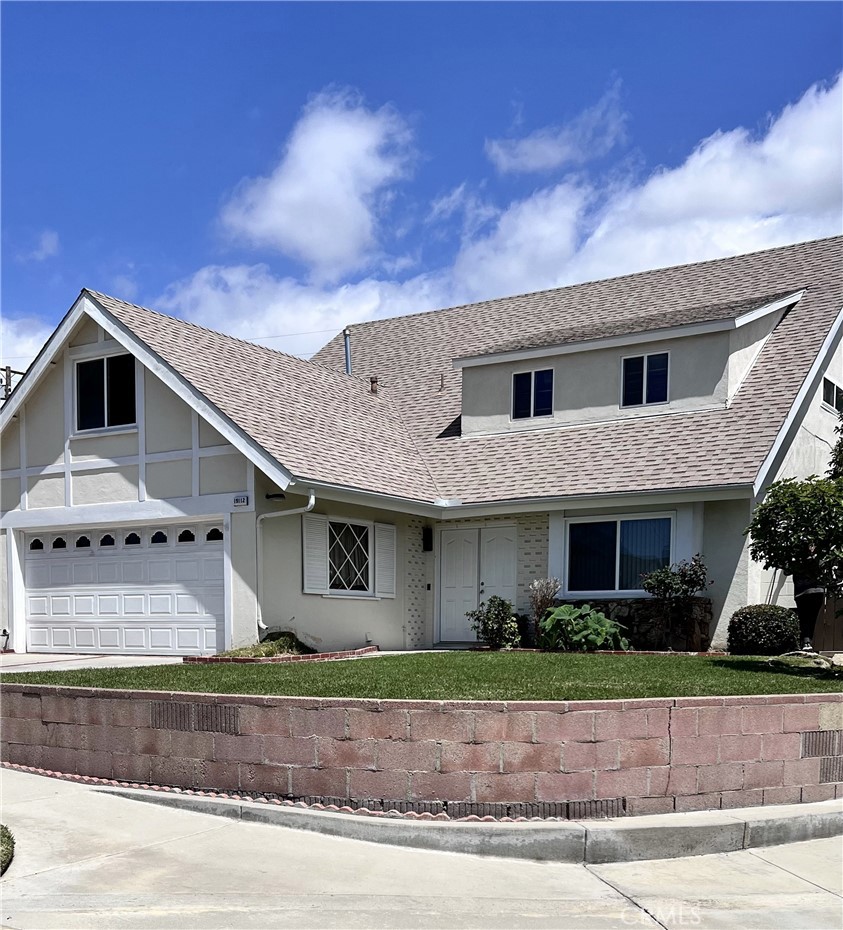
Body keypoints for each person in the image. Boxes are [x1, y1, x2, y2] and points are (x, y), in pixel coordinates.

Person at [792, 575, 826, 652]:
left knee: (804, 617)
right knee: (812, 618)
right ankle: (807, 641)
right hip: (818, 589)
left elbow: (786, 571)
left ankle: (806, 642)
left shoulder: (795, 562)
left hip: (802, 590)